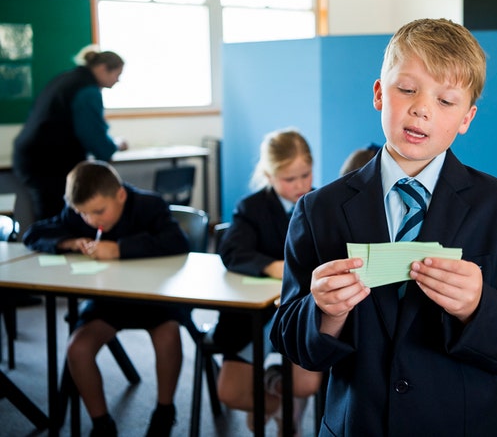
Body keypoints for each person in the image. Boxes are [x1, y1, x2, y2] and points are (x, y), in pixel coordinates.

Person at [269, 18, 497, 436]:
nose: (422, 108)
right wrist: (324, 312)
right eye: (407, 89)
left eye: (446, 101)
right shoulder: (319, 209)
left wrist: (477, 306)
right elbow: (290, 340)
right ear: (379, 94)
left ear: (466, 118)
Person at [23, 160, 189, 437]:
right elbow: (34, 234)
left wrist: (120, 249)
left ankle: (164, 411)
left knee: (169, 337)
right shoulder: (79, 214)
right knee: (78, 348)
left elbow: (176, 241)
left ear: (120, 195)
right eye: (83, 214)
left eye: (98, 212)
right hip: (108, 302)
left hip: (155, 300)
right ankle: (102, 423)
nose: (91, 221)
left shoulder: (149, 205)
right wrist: (68, 242)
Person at [214, 128, 322, 435]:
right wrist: (273, 266)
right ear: (269, 175)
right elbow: (232, 251)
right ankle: (277, 403)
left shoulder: (322, 202)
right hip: (254, 317)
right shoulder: (252, 208)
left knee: (305, 383)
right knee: (232, 393)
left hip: (302, 311)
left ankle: (279, 382)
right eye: (289, 179)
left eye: (305, 174)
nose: (300, 185)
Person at [13, 45, 128, 222]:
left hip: (33, 157)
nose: (118, 81)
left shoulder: (68, 78)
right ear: (102, 68)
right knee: (56, 220)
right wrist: (114, 146)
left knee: (52, 215)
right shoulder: (87, 90)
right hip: (47, 162)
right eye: (117, 75)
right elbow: (95, 138)